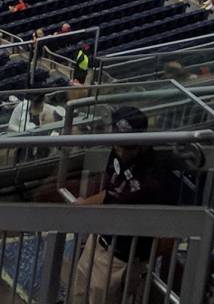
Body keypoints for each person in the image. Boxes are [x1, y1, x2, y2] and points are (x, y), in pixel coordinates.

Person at [47, 105, 180, 301]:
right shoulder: (117, 153)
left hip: (122, 257)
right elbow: (111, 192)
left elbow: (172, 232)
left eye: (126, 146)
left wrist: (136, 261)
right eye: (117, 144)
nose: (120, 151)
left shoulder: (155, 177)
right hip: (99, 238)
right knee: (78, 291)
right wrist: (81, 207)